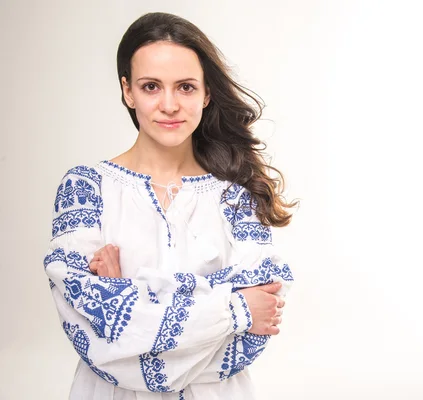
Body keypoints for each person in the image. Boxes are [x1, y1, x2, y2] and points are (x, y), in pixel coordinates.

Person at [43, 11, 296, 400]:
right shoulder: (85, 189)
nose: (169, 105)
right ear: (127, 91)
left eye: (186, 87)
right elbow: (92, 338)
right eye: (150, 86)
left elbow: (250, 339)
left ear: (206, 93)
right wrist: (233, 308)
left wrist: (126, 294)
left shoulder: (237, 197)